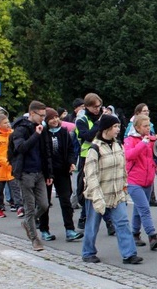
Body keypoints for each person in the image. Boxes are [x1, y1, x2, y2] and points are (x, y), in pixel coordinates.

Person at [81, 114, 142, 265]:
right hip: (98, 194)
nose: (118, 130)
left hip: (116, 194)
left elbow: (122, 170)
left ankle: (129, 254)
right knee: (92, 225)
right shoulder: (94, 149)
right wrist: (97, 197)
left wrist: (123, 189)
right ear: (106, 129)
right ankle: (88, 252)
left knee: (122, 223)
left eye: (118, 126)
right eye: (115, 127)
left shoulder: (117, 145)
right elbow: (91, 176)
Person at [10, 101, 53, 251]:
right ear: (32, 113)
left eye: (44, 115)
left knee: (44, 205)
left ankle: (28, 223)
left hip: (40, 172)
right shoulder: (20, 129)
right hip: (25, 172)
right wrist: (36, 134)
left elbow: (46, 152)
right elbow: (21, 148)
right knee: (29, 207)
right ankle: (35, 239)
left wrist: (49, 173)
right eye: (41, 115)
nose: (43, 118)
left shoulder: (42, 129)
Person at [39, 108, 83, 242]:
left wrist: (71, 162)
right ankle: (44, 229)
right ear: (46, 120)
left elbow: (70, 150)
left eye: (56, 117)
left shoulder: (64, 132)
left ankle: (70, 230)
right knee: (45, 202)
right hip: (47, 172)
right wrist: (47, 172)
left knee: (65, 200)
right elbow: (42, 153)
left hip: (62, 171)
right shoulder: (42, 133)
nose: (55, 120)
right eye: (51, 118)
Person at [75, 93, 115, 234]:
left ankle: (108, 222)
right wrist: (100, 123)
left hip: (102, 155)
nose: (98, 109)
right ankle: (85, 218)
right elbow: (87, 136)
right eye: (95, 107)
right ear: (87, 106)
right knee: (88, 189)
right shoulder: (82, 119)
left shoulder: (103, 117)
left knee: (102, 188)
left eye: (99, 106)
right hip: (87, 156)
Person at [124, 113, 157, 251]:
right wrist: (143, 143)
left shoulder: (149, 139)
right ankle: (152, 236)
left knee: (138, 209)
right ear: (137, 127)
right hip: (134, 181)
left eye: (149, 126)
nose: (148, 128)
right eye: (145, 126)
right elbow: (129, 155)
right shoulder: (130, 140)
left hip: (147, 181)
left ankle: (135, 234)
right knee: (145, 209)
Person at [0, 113, 22, 218]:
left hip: (11, 168)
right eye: (5, 123)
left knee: (16, 188)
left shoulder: (12, 133)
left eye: (8, 122)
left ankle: (19, 207)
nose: (8, 124)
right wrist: (5, 160)